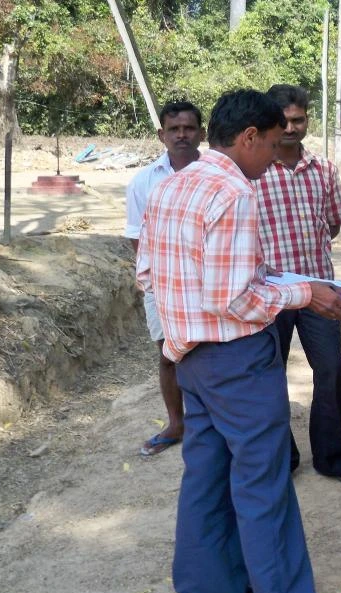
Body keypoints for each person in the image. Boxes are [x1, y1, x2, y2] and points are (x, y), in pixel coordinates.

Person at [136, 89, 341, 593]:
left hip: (190, 358)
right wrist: (305, 292)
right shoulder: (233, 192)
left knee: (205, 478)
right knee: (265, 493)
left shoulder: (172, 186)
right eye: (271, 145)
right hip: (237, 362)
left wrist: (196, 315)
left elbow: (148, 272)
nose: (274, 158)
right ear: (248, 138)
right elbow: (234, 298)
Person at [253, 84, 341, 486]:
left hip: (319, 289)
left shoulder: (324, 170)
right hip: (268, 294)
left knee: (332, 370)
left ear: (307, 121)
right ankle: (280, 459)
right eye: (282, 120)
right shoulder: (252, 171)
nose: (290, 127)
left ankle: (335, 457)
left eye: (298, 120)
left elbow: (333, 224)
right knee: (269, 375)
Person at [125, 101, 204, 457]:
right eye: (174, 129)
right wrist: (160, 280)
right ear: (162, 135)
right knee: (169, 356)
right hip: (161, 285)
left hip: (207, 283)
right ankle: (176, 423)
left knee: (209, 354)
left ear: (201, 133)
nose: (182, 135)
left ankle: (209, 422)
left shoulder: (218, 174)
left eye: (189, 128)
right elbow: (136, 238)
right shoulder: (144, 182)